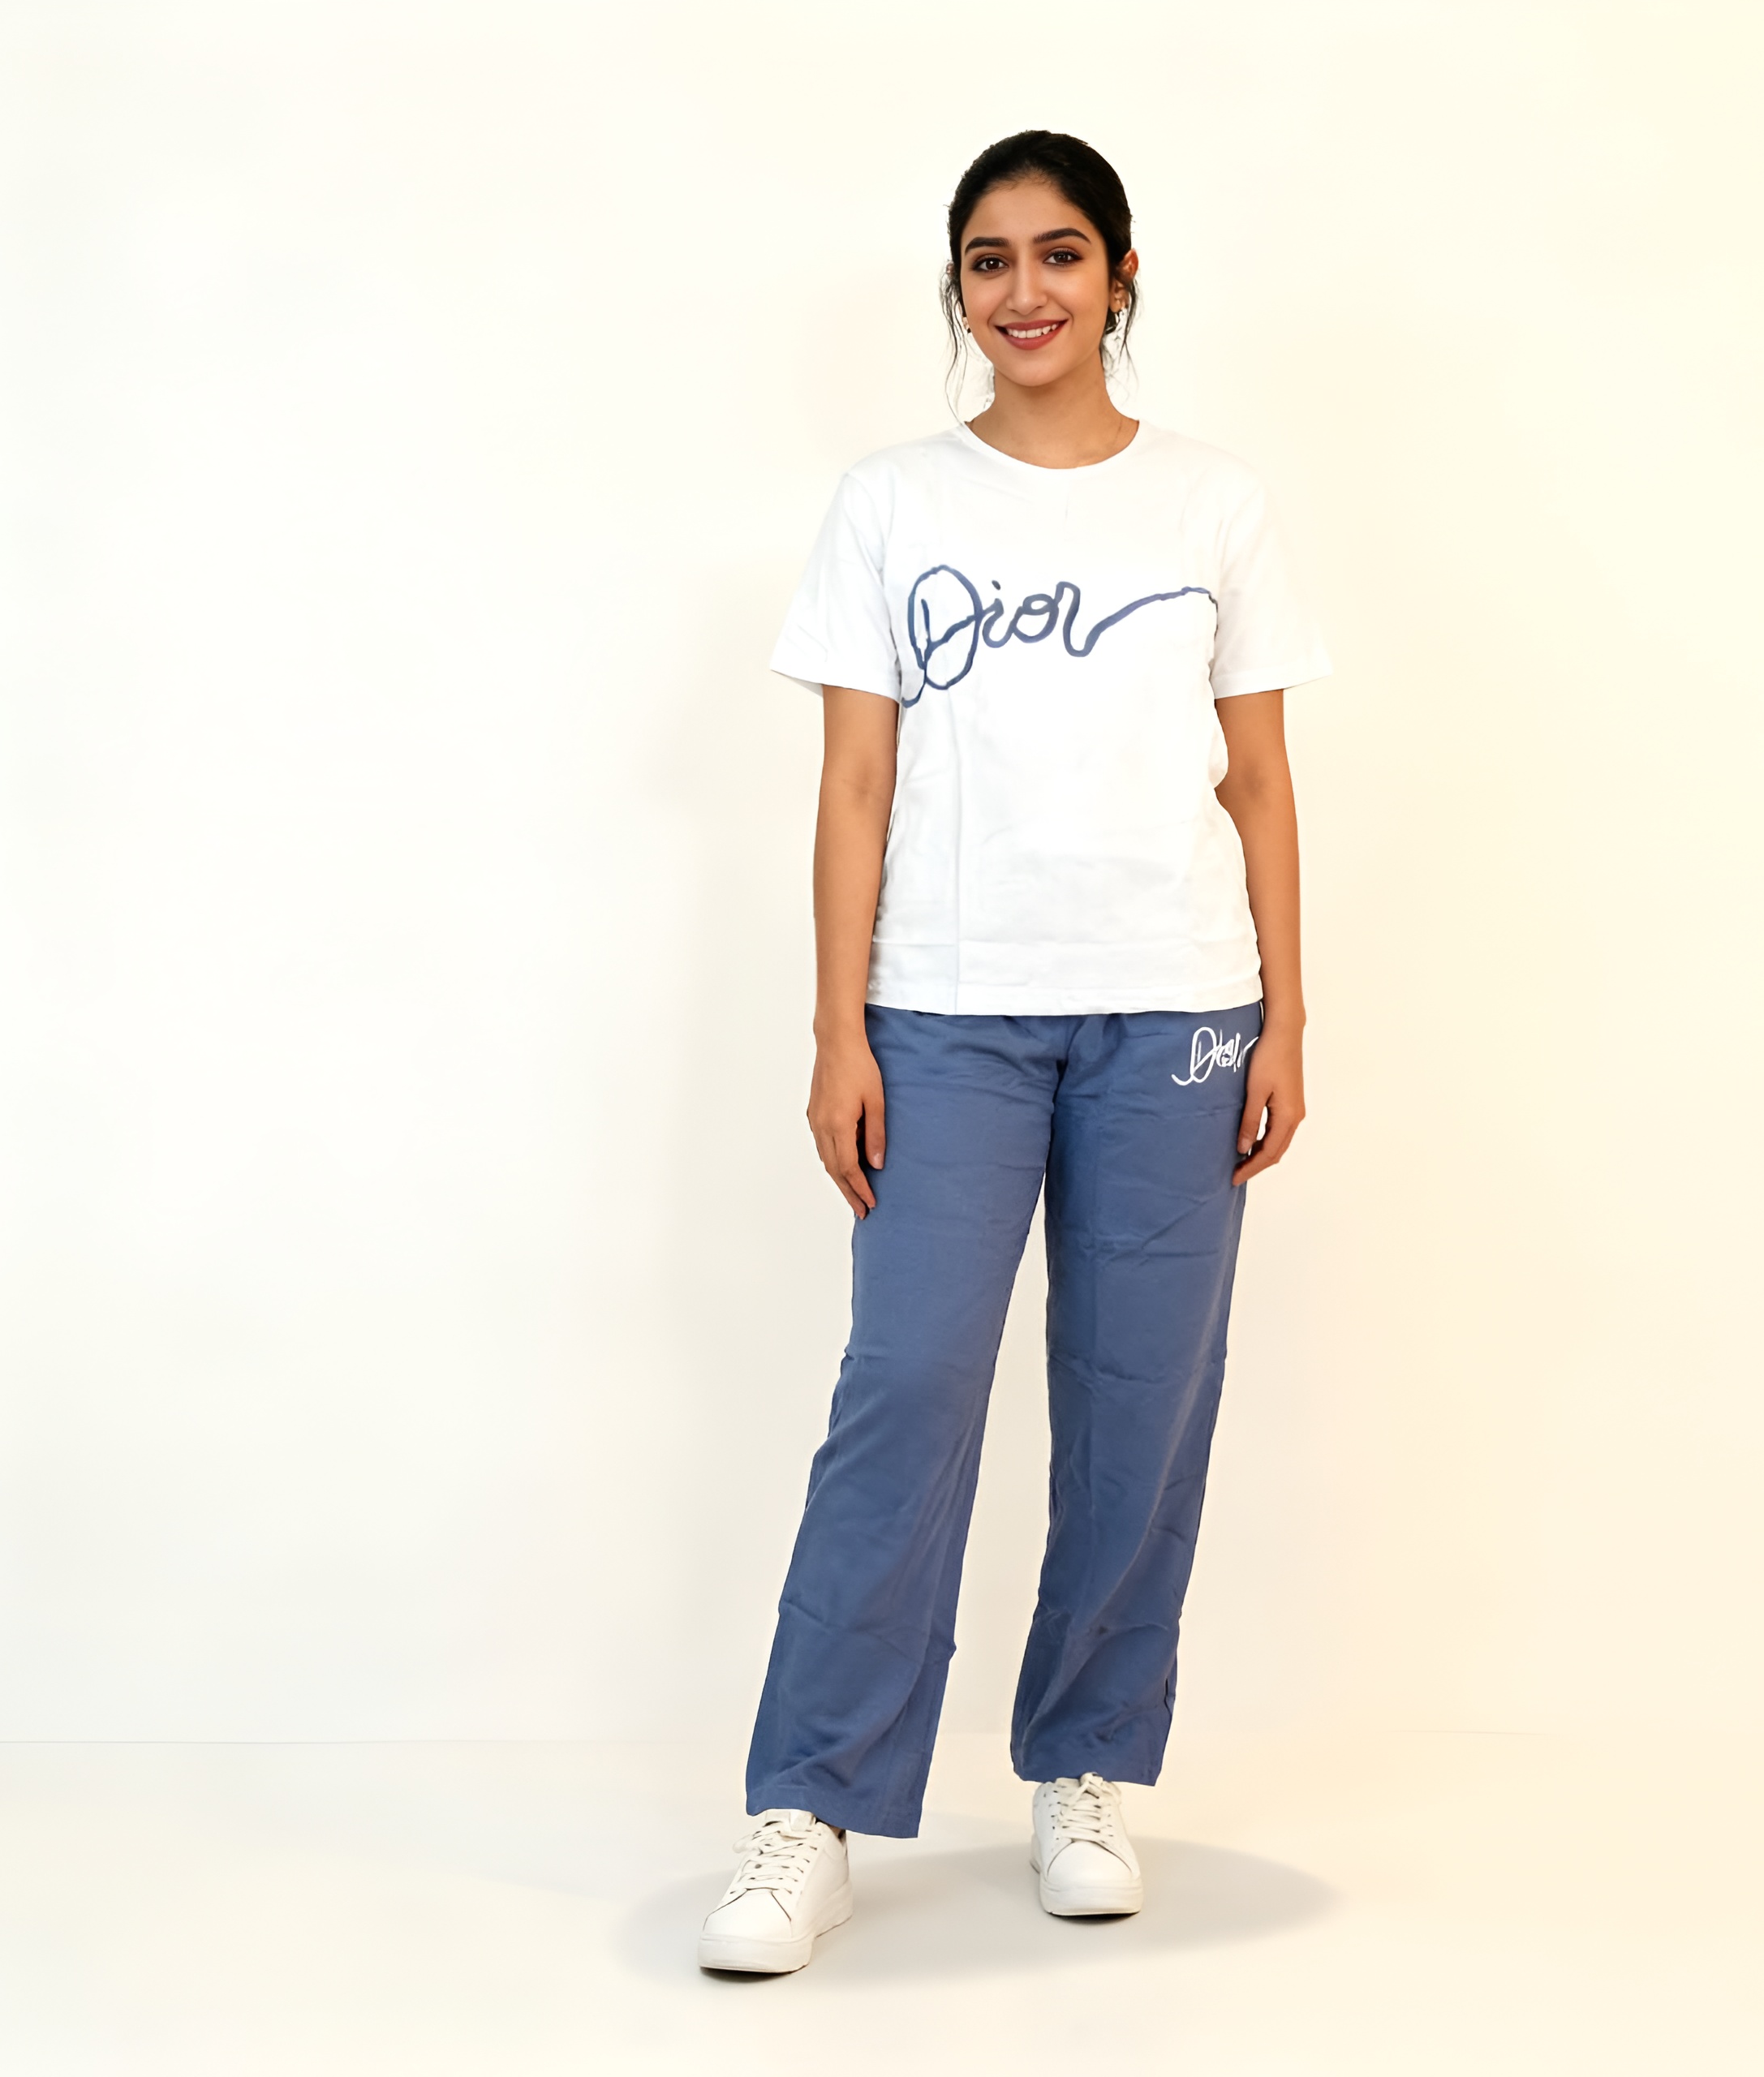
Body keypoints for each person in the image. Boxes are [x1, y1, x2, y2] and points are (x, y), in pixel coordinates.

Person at [697, 130, 1328, 1975]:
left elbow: (1260, 778)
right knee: (906, 1385)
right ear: (959, 289)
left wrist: (1286, 1012)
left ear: (1121, 276)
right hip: (944, 1012)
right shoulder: (894, 501)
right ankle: (809, 1803)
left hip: (1177, 1009)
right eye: (989, 260)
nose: (1025, 290)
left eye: (1060, 254)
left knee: (1141, 1398)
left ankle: (1086, 1766)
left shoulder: (1212, 502)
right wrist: (839, 1029)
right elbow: (854, 784)